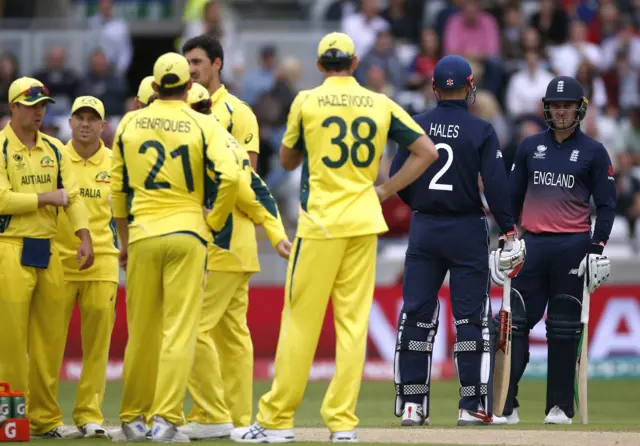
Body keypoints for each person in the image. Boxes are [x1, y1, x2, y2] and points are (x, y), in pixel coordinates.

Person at [231, 32, 438, 444]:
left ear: (321, 64)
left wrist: (312, 143)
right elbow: (427, 151)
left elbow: (288, 158)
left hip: (321, 224)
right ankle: (342, 424)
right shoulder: (380, 102)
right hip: (364, 222)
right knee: (352, 326)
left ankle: (276, 421)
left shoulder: (307, 100)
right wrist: (384, 189)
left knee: (300, 324)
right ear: (355, 62)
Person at [389, 55, 525, 427]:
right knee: (470, 319)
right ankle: (471, 406)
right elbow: (496, 187)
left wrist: (422, 206)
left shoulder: (415, 125)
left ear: (434, 88)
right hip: (466, 228)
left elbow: (396, 179)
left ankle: (413, 405)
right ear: (469, 87)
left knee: (416, 316)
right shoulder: (481, 130)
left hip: (425, 228)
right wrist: (509, 229)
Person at [110, 52, 240, 442]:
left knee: (142, 334)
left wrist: (124, 239)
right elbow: (231, 177)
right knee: (179, 333)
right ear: (187, 85)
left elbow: (117, 189)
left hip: (144, 233)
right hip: (188, 233)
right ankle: (166, 420)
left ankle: (133, 420)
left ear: (154, 84)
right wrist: (212, 222)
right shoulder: (203, 123)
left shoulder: (129, 123)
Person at [489, 76, 615, 425]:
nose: (560, 111)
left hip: (572, 246)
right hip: (533, 245)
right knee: (514, 326)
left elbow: (606, 205)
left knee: (562, 328)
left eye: (567, 105)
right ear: (546, 107)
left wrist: (597, 247)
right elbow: (511, 199)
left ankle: (560, 407)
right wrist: (508, 239)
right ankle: (506, 405)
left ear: (579, 108)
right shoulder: (530, 146)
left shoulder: (593, 151)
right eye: (555, 105)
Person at [181, 78, 292, 440]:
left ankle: (213, 413)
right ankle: (240, 419)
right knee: (234, 337)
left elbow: (240, 188)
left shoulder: (205, 142)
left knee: (192, 330)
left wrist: (212, 221)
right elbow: (256, 189)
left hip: (221, 250)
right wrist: (276, 234)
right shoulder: (224, 139)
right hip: (239, 252)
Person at [0, 77, 94, 439]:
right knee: (9, 342)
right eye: (31, 105)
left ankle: (45, 418)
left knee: (49, 341)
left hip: (49, 250)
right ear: (13, 107)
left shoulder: (55, 149)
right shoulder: (3, 148)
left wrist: (84, 236)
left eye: (43, 105)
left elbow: (73, 197)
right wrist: (45, 198)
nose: (39, 111)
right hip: (10, 247)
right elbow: (3, 200)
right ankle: (11, 420)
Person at [53, 96, 116, 438]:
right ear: (71, 122)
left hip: (103, 260)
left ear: (103, 125)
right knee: (49, 343)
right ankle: (43, 416)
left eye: (93, 118)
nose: (86, 123)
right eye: (80, 117)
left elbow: (124, 209)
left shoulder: (116, 162)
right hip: (59, 261)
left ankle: (89, 414)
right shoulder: (55, 157)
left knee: (97, 345)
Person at [182, 35, 260, 170]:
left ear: (217, 64)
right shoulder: (179, 106)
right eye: (187, 63)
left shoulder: (238, 111)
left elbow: (249, 175)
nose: (190, 70)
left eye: (196, 62)